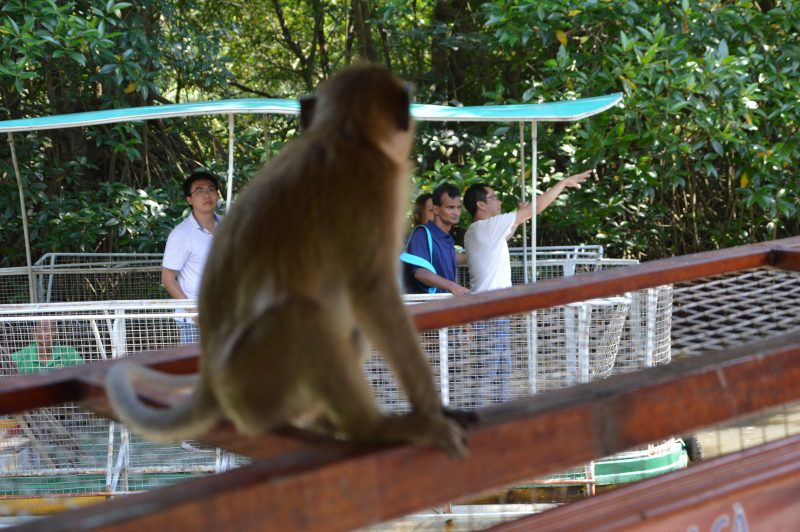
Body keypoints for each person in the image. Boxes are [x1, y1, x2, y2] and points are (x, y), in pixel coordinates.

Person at [462, 170, 591, 405]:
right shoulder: (485, 227)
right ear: (481, 205)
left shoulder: (481, 231)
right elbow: (536, 209)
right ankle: (476, 427)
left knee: (499, 371)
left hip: (491, 310)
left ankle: (493, 421)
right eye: (494, 197)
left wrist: (522, 215)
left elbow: (509, 232)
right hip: (489, 311)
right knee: (490, 372)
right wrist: (562, 183)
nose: (499, 201)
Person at [162, 170, 223, 343]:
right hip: (195, 321)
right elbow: (168, 279)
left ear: (217, 194)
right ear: (189, 199)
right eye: (199, 190)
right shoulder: (181, 234)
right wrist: (193, 311)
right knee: (196, 368)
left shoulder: (229, 225)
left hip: (226, 314)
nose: (206, 194)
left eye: (211, 189)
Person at [402, 183, 470, 295]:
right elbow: (421, 273)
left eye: (458, 207)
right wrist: (453, 286)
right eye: (450, 207)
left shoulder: (448, 239)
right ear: (436, 210)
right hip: (427, 308)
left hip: (445, 306)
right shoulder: (422, 233)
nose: (456, 212)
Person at [12, 321, 83, 374]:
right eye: (44, 329)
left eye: (53, 329)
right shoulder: (18, 358)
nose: (49, 333)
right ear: (34, 331)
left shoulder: (70, 353)